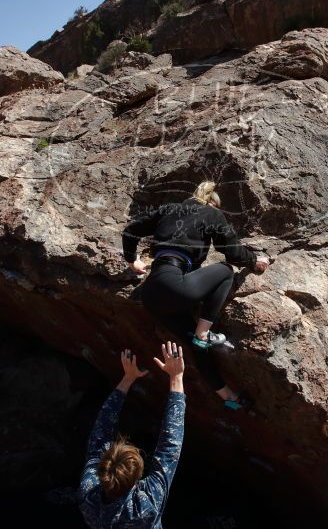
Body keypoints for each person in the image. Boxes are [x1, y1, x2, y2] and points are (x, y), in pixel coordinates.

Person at [121, 181, 269, 409]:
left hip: (151, 295)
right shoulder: (211, 213)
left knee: (194, 345)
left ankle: (228, 396)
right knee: (225, 271)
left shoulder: (169, 209)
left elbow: (131, 231)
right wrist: (254, 261)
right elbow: (231, 252)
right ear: (212, 203)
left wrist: (133, 261)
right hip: (176, 283)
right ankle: (204, 332)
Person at [78, 342, 186, 529]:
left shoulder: (89, 495)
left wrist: (128, 379)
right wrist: (176, 377)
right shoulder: (146, 504)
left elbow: (169, 450)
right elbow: (169, 448)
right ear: (138, 477)